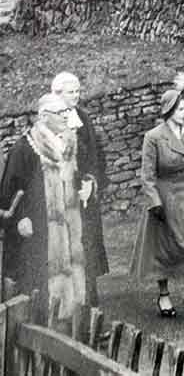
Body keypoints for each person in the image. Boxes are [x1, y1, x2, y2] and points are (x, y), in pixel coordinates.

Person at [1, 93, 89, 325]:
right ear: (44, 116)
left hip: (68, 226)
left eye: (66, 112)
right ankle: (40, 325)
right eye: (60, 113)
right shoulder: (25, 149)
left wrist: (83, 187)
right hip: (38, 229)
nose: (66, 116)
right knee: (39, 283)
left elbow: (74, 177)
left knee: (70, 274)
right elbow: (8, 194)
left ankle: (68, 322)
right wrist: (20, 218)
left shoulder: (69, 141)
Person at [130, 90, 184, 324]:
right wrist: (155, 202)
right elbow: (147, 176)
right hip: (164, 197)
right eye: (181, 109)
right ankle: (164, 295)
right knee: (164, 249)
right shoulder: (154, 137)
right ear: (168, 111)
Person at [51, 72, 108, 307]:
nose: (76, 95)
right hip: (64, 199)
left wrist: (91, 181)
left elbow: (95, 154)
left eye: (77, 91)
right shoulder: (51, 122)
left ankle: (91, 305)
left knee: (89, 249)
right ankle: (68, 308)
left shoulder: (83, 116)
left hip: (87, 197)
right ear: (57, 94)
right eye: (70, 92)